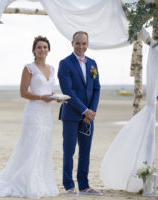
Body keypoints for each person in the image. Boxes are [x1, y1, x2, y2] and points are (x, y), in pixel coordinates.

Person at [0, 36, 59, 199]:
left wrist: (54, 97)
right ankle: (27, 184)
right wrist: (41, 98)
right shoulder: (29, 68)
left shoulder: (52, 69)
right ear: (34, 50)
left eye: (45, 47)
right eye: (39, 47)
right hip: (34, 113)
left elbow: (48, 89)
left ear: (49, 50)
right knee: (31, 147)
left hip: (47, 114)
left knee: (43, 147)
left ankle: (40, 182)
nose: (42, 50)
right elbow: (23, 92)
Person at [58, 31, 101, 196]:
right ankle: (69, 185)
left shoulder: (92, 63)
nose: (81, 46)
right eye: (78, 43)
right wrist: (84, 110)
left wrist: (92, 112)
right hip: (70, 115)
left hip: (89, 117)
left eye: (84, 43)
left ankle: (84, 186)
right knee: (69, 151)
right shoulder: (65, 63)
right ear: (72, 43)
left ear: (87, 44)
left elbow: (96, 89)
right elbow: (67, 90)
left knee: (85, 151)